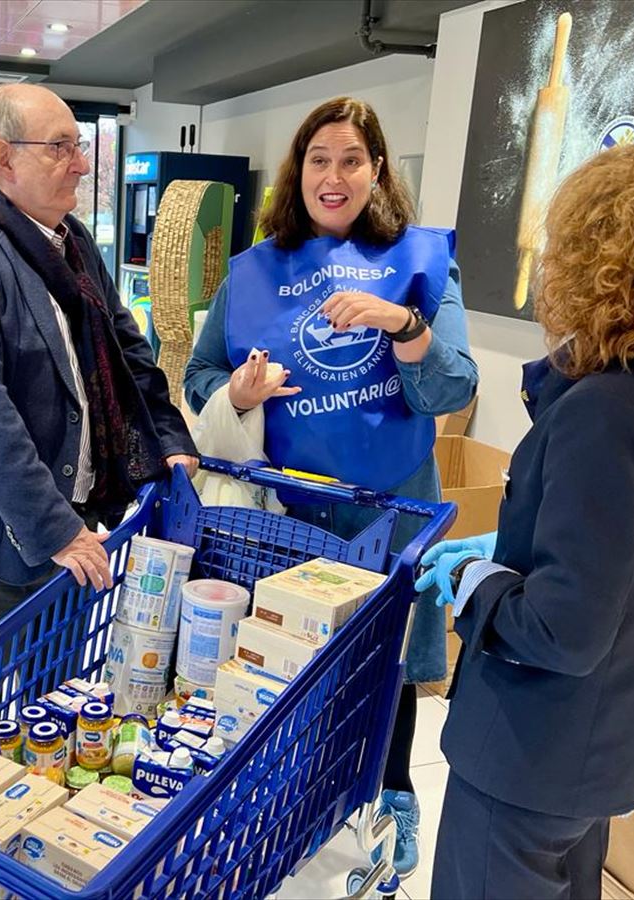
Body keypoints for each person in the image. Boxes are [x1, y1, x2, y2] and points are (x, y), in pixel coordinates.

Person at [418, 141, 634, 899]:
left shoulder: (603, 412)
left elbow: (565, 630)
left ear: (605, 261)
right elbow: (632, 564)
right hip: (602, 750)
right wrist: (520, 544)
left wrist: (476, 577)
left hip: (530, 755)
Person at [183, 96, 479, 878]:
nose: (335, 175)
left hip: (387, 508)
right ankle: (292, 794)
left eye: (352, 159)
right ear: (299, 170)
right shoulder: (252, 276)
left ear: (378, 170)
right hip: (286, 513)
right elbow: (200, 372)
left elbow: (451, 389)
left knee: (392, 666)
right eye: (320, 159)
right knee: (285, 655)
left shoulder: (420, 265)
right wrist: (240, 392)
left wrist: (402, 325)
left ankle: (393, 798)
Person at [0, 84, 198, 670]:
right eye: (60, 147)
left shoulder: (73, 243)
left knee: (57, 697)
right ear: (3, 157)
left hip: (75, 513)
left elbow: (128, 350)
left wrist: (168, 439)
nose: (82, 164)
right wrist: (55, 528)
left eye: (79, 145)